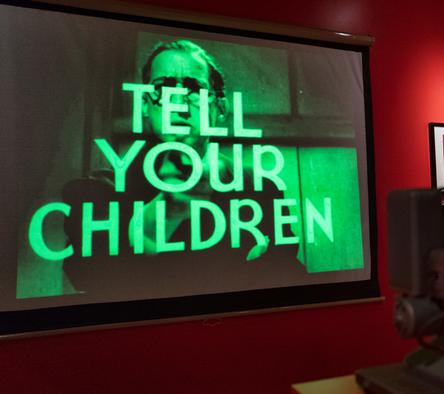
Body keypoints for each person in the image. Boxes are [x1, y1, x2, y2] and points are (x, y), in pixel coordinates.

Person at [61, 40, 303, 298]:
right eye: (162, 87)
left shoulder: (261, 189)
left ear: (220, 108)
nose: (178, 101)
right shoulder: (95, 193)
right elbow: (86, 274)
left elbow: (288, 274)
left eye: (195, 88)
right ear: (145, 104)